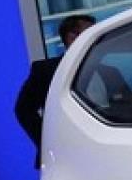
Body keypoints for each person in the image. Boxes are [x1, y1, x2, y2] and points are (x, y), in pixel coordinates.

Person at [14, 14, 95, 168]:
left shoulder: (109, 71)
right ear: (70, 38)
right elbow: (24, 110)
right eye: (89, 34)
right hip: (64, 159)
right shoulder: (46, 71)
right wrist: (50, 141)